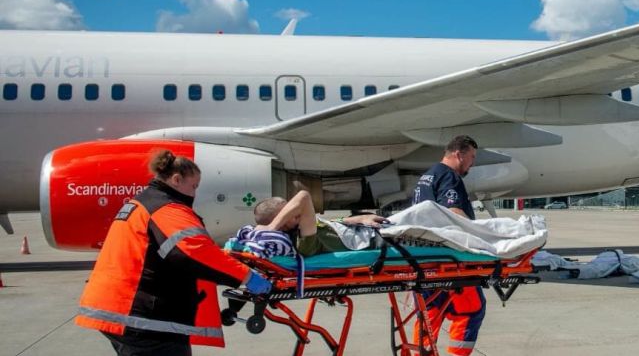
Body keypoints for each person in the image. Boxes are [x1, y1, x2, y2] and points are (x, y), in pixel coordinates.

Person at [76, 150, 272, 355]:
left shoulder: (143, 203)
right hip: (142, 316)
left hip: (118, 306)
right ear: (176, 180)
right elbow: (195, 251)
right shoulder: (166, 209)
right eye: (194, 186)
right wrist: (246, 276)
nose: (194, 193)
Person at [412, 135, 483, 356]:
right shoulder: (449, 176)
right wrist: (481, 236)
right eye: (472, 157)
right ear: (459, 154)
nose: (472, 163)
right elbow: (453, 211)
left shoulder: (428, 175)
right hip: (448, 260)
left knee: (429, 312)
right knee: (472, 309)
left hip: (423, 259)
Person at [233, 188, 389, 257]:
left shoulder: (303, 226)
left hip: (366, 228)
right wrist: (271, 227)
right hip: (377, 239)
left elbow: (324, 224)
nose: (296, 211)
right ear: (281, 223)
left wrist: (358, 219)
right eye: (289, 213)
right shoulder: (303, 242)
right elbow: (304, 196)